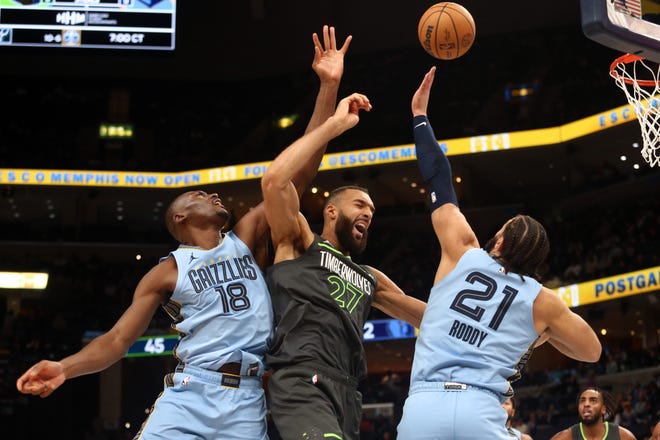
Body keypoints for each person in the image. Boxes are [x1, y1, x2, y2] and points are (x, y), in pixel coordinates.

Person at [15, 25, 352, 440]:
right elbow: (119, 339)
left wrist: (328, 87)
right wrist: (64, 368)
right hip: (190, 393)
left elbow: (295, 177)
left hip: (247, 399)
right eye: (198, 195)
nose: (212, 194)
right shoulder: (166, 272)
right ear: (179, 219)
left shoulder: (245, 237)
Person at [396, 66, 602, 439]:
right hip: (480, 408)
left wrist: (420, 117)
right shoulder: (543, 301)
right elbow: (591, 351)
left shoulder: (463, 251)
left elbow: (438, 179)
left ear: (502, 242)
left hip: (423, 405)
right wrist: (541, 332)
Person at [260, 83, 427, 439]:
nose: (369, 213)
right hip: (302, 377)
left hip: (348, 389)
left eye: (373, 210)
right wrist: (335, 123)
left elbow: (429, 317)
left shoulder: (369, 277)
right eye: (360, 205)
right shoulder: (301, 242)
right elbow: (275, 180)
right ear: (331, 211)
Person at [549, 387, 637, 440]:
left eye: (593, 400)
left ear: (603, 409)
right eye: (582, 401)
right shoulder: (565, 437)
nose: (586, 404)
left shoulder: (623, 436)